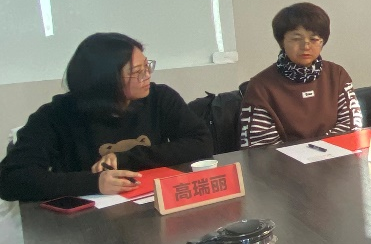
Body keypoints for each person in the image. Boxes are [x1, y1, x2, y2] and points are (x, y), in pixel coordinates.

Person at [0, 33, 213, 201]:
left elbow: (201, 143)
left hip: (150, 203)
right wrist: (94, 183)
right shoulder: (56, 116)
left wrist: (125, 159)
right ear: (106, 80)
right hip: (87, 222)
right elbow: (11, 179)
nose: (147, 75)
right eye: (137, 71)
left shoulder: (159, 98)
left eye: (147, 66)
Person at [239, 3, 362, 148]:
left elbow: (351, 125)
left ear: (322, 42)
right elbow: (261, 146)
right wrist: (309, 154)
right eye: (296, 38)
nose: (306, 46)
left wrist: (320, 151)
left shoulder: (337, 75)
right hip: (283, 161)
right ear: (282, 41)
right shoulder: (261, 86)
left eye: (314, 39)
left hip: (335, 156)